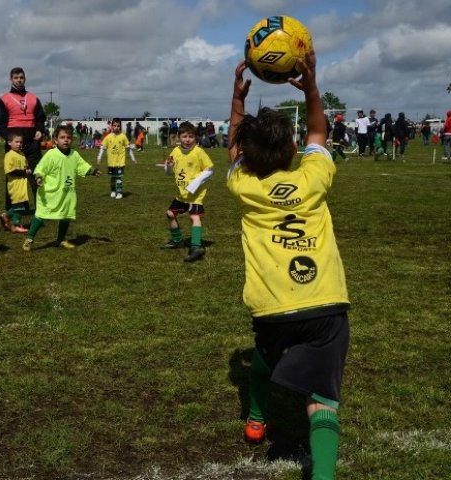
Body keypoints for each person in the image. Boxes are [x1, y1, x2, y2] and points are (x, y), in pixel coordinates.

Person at [227, 52, 349, 480]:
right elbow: (319, 128)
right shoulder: (314, 177)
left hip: (272, 307)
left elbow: (233, 147)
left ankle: (257, 419)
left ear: (244, 153)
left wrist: (238, 99)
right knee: (322, 400)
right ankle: (323, 476)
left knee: (264, 358)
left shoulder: (244, 186)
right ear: (295, 148)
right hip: (326, 303)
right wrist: (311, 86)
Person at [22, 125, 101, 252]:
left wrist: (92, 171)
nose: (66, 140)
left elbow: (82, 166)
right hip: (50, 193)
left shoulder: (74, 154)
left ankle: (61, 239)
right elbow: (41, 169)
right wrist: (39, 178)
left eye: (68, 137)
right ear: (56, 140)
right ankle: (29, 239)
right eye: (62, 137)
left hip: (67, 193)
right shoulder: (51, 155)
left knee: (66, 215)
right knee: (41, 214)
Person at [160, 121, 214, 262]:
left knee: (194, 217)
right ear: (179, 137)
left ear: (195, 137)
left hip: (195, 195)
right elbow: (168, 172)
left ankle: (196, 247)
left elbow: (210, 170)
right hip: (180, 195)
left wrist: (195, 184)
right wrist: (169, 167)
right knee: (170, 214)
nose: (187, 139)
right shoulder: (175, 151)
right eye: (184, 136)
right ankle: (177, 241)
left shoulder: (199, 152)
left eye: (191, 136)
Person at [0, 67, 46, 178]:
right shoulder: (4, 99)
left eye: (21, 77)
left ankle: (39, 195)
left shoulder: (33, 98)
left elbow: (40, 118)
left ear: (25, 79)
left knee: (38, 177)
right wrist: (11, 139)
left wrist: (40, 130)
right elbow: (0, 123)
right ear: (11, 80)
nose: (19, 80)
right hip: (13, 146)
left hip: (32, 144)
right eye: (16, 77)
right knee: (14, 179)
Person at [0, 133, 32, 234]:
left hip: (22, 185)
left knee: (20, 205)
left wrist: (28, 169)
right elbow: (9, 171)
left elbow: (25, 166)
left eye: (21, 142)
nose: (19, 144)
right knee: (19, 207)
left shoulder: (22, 154)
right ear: (9, 143)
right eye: (16, 142)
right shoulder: (9, 155)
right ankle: (15, 225)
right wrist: (24, 172)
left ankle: (5, 215)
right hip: (15, 185)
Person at [96, 118, 136, 200]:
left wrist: (133, 158)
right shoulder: (108, 137)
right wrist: (99, 157)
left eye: (118, 126)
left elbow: (128, 149)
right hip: (111, 162)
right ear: (111, 126)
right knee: (112, 177)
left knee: (118, 178)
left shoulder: (123, 137)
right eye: (114, 125)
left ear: (120, 127)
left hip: (120, 162)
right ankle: (113, 191)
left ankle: (119, 192)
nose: (116, 127)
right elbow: (102, 148)